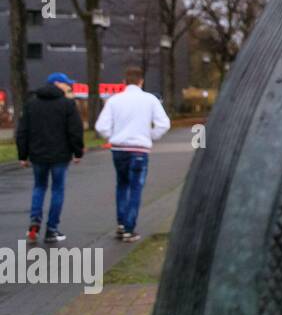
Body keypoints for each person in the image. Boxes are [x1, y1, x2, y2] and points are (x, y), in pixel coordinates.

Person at [94, 67, 170, 243]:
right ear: (141, 81)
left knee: (122, 185)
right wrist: (150, 136)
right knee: (136, 188)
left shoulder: (114, 101)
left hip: (119, 148)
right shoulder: (150, 100)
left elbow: (101, 127)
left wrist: (113, 136)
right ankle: (129, 228)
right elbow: (163, 124)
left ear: (124, 82)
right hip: (139, 149)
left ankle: (121, 223)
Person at [16, 72, 85, 244]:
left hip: (38, 155)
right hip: (60, 156)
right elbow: (75, 131)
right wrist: (77, 153)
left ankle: (34, 221)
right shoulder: (67, 105)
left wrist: (23, 155)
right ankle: (52, 229)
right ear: (56, 84)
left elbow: (22, 132)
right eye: (66, 84)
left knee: (39, 187)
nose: (68, 87)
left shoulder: (31, 104)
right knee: (57, 190)